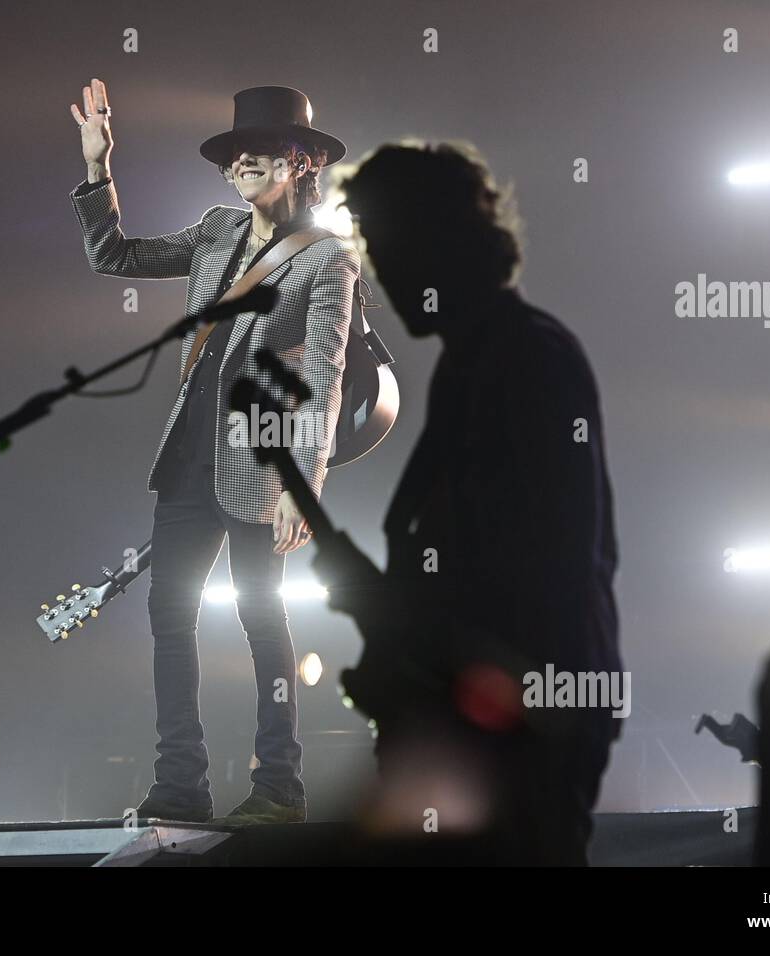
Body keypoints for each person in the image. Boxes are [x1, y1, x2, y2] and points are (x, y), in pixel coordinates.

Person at [315, 141, 622, 862]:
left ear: (448, 238)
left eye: (393, 242)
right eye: (371, 245)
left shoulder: (527, 358)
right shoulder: (474, 365)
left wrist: (399, 616)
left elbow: (547, 569)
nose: (382, 270)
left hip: (522, 717)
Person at [68, 80, 356, 824]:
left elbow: (325, 378)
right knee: (171, 617)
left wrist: (306, 484)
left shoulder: (326, 260)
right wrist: (99, 170)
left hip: (261, 460)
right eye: (231, 158)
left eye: (255, 154)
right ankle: (180, 783)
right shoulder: (214, 230)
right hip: (187, 452)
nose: (239, 167)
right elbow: (113, 256)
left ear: (298, 161)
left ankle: (279, 786)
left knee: (263, 620)